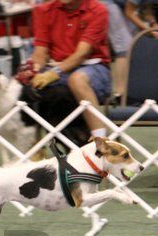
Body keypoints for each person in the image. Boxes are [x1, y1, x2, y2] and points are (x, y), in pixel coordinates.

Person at [30, 0, 111, 138]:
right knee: (29, 88)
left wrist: (53, 73)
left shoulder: (98, 10)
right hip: (57, 69)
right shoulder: (43, 11)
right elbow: (40, 52)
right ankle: (36, 146)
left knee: (77, 79)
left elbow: (82, 54)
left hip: (92, 66)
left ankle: (101, 140)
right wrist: (33, 71)